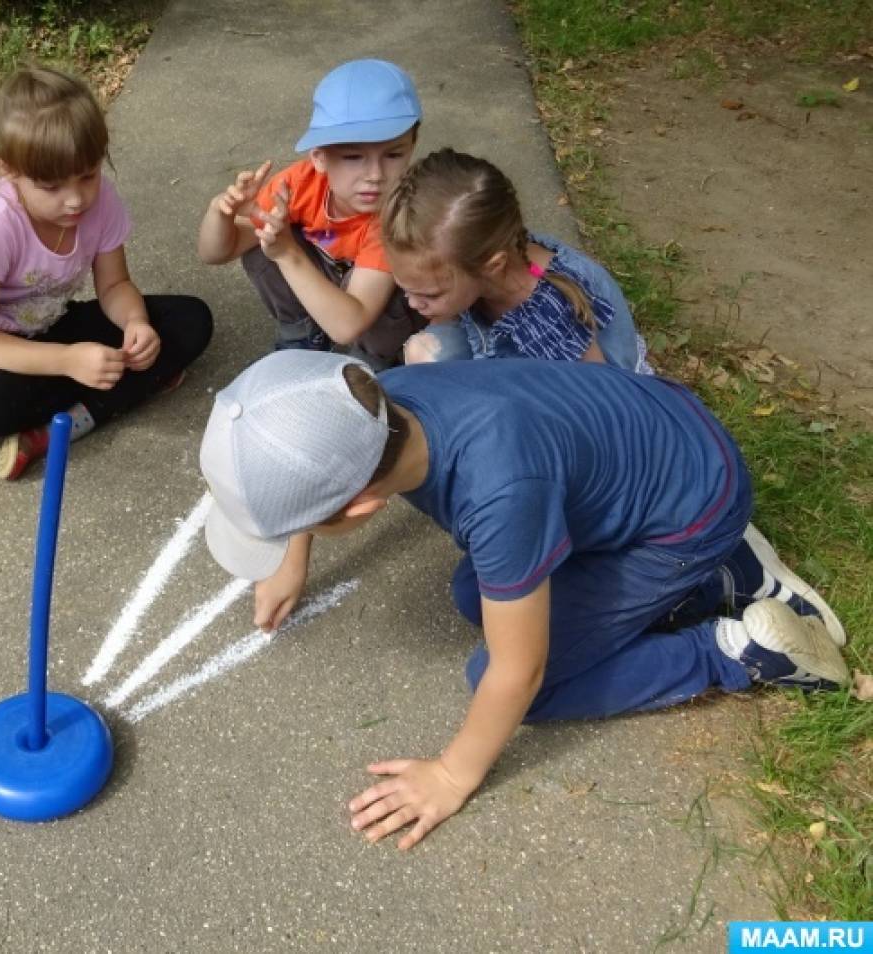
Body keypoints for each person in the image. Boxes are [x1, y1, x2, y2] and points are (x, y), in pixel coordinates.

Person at [198, 350, 849, 850]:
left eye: (303, 525)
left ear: (359, 507)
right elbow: (322, 450)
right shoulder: (379, 400)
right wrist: (292, 556)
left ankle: (733, 648)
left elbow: (520, 669)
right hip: (665, 439)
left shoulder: (500, 491)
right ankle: (704, 570)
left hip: (690, 509)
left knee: (508, 683)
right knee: (472, 595)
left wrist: (453, 775)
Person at [0, 66, 213, 480]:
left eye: (87, 176)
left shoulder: (100, 201)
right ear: (8, 169)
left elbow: (115, 284)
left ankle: (53, 431)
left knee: (191, 320)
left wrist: (135, 323)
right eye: (51, 187)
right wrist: (67, 360)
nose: (75, 200)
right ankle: (121, 390)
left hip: (54, 322)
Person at [197, 58, 427, 371]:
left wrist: (289, 253)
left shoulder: (398, 212)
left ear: (412, 146)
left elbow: (349, 324)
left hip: (374, 312)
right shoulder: (301, 183)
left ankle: (377, 358)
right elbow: (215, 253)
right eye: (353, 157)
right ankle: (303, 332)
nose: (375, 174)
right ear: (318, 157)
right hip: (338, 287)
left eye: (394, 154)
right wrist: (221, 212)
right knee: (263, 243)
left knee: (285, 248)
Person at [381, 148, 651, 372]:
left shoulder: (549, 319)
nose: (413, 303)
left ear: (493, 265)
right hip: (519, 350)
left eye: (431, 294)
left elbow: (600, 399)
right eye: (407, 289)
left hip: (591, 386)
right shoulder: (485, 244)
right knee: (425, 351)